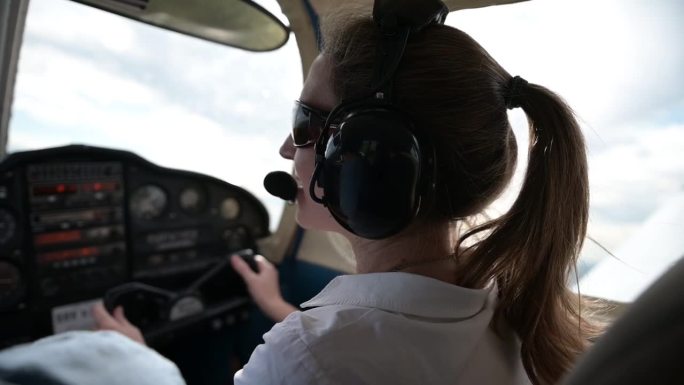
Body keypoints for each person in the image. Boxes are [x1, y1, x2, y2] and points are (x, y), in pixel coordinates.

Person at [95, 5, 602, 385]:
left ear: (371, 154)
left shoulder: (310, 356)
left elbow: (334, 356)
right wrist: (276, 304)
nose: (285, 147)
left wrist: (134, 360)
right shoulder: (502, 312)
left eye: (305, 124)